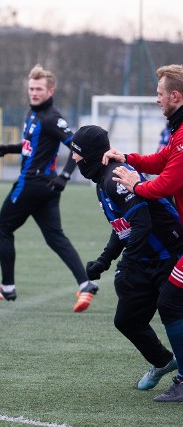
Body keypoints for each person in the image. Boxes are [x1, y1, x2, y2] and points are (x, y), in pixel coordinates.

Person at [70, 124, 181, 395]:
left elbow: (141, 224)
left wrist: (125, 265)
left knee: (173, 312)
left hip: (169, 256)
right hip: (145, 260)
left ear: (92, 154)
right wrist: (104, 260)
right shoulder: (101, 181)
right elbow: (123, 227)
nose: (73, 159)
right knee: (127, 320)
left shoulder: (116, 177)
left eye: (77, 153)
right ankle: (163, 361)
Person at [0, 64, 98, 312]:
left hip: (32, 184)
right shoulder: (33, 114)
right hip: (45, 187)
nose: (34, 93)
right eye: (31, 88)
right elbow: (31, 146)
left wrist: (65, 176)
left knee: (2, 228)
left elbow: (79, 146)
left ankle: (8, 287)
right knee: (55, 237)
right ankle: (86, 284)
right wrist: (9, 148)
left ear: (50, 90)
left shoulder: (52, 118)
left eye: (39, 89)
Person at [104, 64, 183, 402]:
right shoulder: (178, 133)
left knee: (170, 300)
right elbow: (161, 159)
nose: (157, 100)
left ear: (175, 96)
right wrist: (129, 158)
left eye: (160, 94)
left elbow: (169, 182)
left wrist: (137, 184)